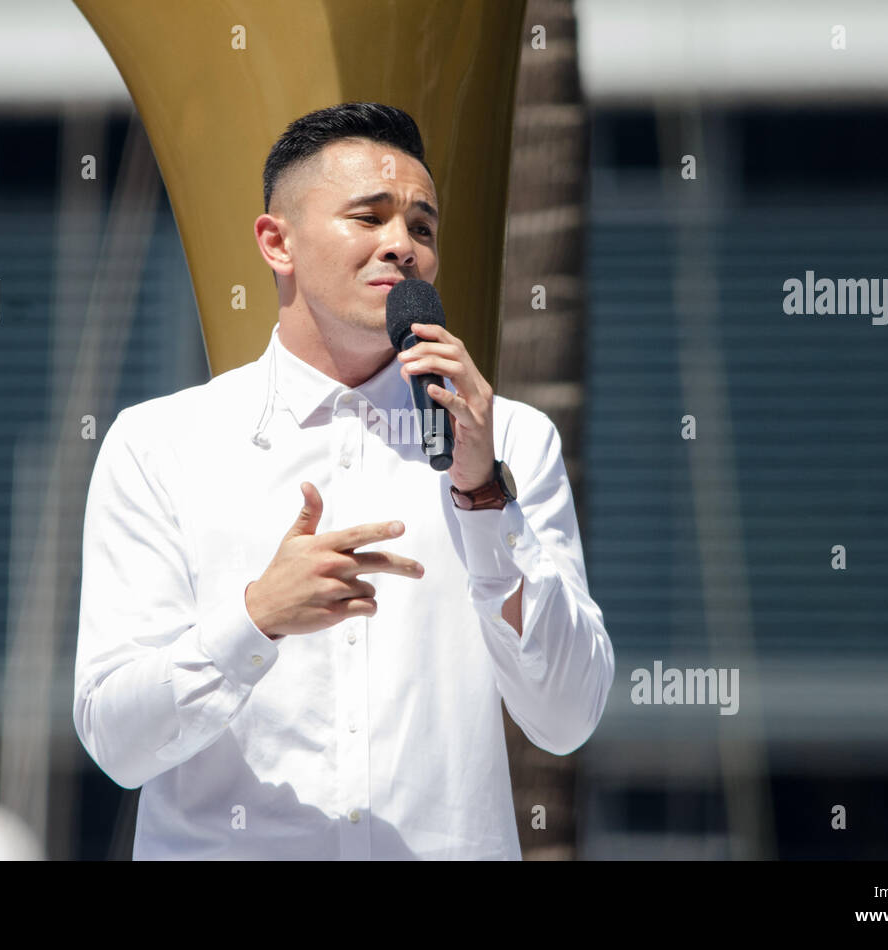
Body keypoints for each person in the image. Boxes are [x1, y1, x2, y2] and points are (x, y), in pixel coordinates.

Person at [73, 101, 614, 860]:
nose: (402, 246)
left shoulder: (511, 439)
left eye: (422, 227)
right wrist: (254, 619)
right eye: (370, 217)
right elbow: (116, 741)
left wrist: (487, 498)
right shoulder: (160, 445)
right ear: (277, 241)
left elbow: (568, 716)